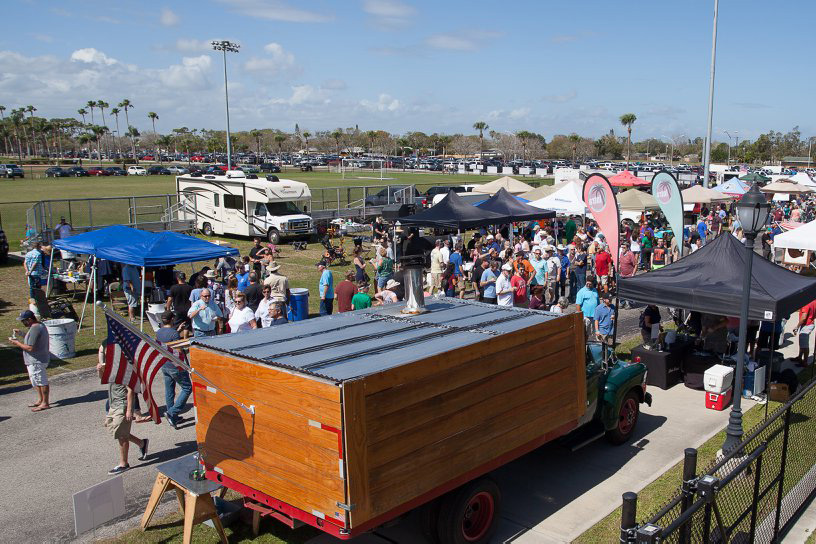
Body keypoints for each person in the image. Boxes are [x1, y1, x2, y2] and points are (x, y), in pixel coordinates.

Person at [97, 346, 148, 475]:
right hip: (113, 404)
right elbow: (103, 380)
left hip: (123, 405)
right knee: (117, 431)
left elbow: (131, 390)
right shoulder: (112, 366)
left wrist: (130, 410)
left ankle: (123, 464)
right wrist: (100, 370)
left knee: (121, 435)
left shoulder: (125, 368)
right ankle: (141, 443)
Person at [9, 310, 50, 411]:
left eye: (23, 321)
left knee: (41, 381)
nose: (22, 323)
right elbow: (32, 338)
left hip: (37, 360)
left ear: (30, 319)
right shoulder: (38, 326)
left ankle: (45, 403)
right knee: (36, 381)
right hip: (35, 360)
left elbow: (30, 348)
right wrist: (22, 333)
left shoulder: (35, 328)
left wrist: (16, 343)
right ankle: (41, 400)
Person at [156, 311, 190, 429]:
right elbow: (179, 351)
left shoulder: (159, 332)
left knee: (169, 390)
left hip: (164, 364)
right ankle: (172, 413)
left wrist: (178, 330)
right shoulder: (174, 334)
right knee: (187, 388)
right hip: (175, 365)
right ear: (172, 319)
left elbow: (168, 339)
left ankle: (172, 416)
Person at [793, 298, 816, 366]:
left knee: (805, 345)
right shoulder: (814, 301)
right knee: (802, 344)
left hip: (806, 326)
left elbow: (803, 318)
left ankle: (805, 362)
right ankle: (799, 357)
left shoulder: (806, 304)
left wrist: (797, 327)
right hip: (809, 324)